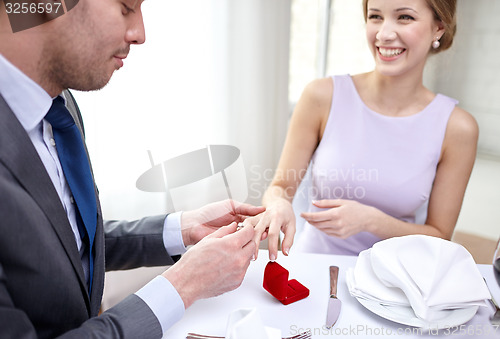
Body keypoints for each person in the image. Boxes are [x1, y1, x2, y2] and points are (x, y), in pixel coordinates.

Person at [0, 1, 265, 338]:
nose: (139, 34)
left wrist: (181, 230)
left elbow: (64, 243)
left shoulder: (58, 106)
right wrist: (183, 286)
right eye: (126, 7)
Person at [246, 0, 478, 259]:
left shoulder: (457, 128)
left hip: (397, 281)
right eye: (375, 16)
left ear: (439, 28)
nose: (384, 34)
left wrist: (372, 221)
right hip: (315, 269)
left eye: (404, 17)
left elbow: (440, 235)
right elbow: (280, 185)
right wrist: (278, 204)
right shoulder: (322, 96)